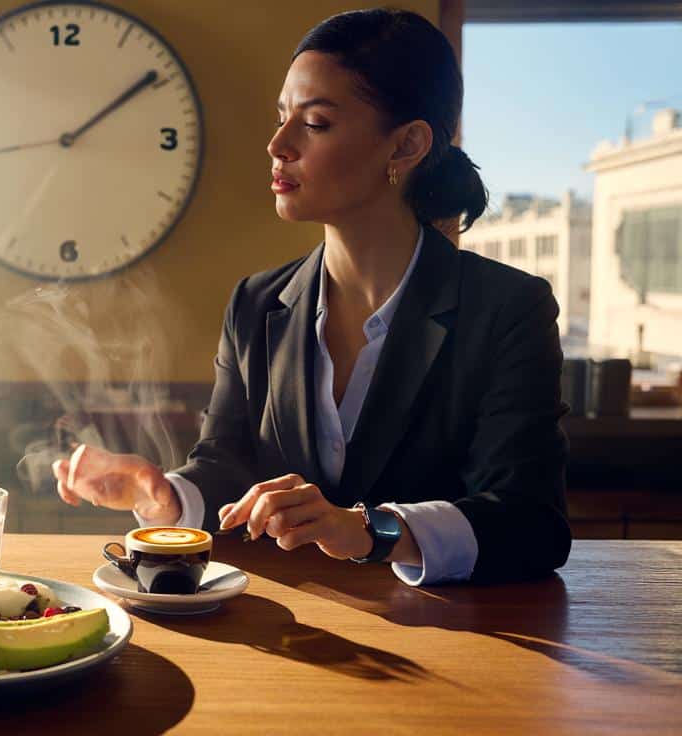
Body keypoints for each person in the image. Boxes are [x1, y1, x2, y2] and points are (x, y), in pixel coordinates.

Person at [53, 8, 571, 584]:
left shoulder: (507, 308)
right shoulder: (255, 303)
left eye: (316, 123)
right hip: (299, 636)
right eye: (282, 119)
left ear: (407, 145)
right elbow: (227, 466)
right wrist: (165, 494)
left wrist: (369, 530)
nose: (278, 144)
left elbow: (532, 523)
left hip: (460, 643)